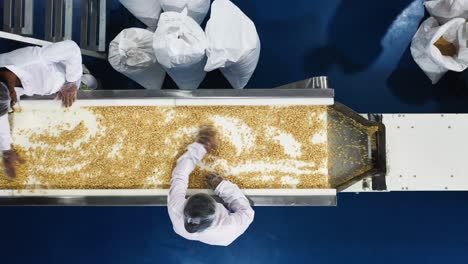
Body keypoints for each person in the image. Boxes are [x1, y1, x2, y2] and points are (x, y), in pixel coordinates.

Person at [0, 40, 95, 179]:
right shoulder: (6, 87)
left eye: (12, 102)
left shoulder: (36, 60)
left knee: (91, 83)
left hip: (68, 81)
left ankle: (86, 76)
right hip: (51, 91)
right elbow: (1, 114)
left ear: (12, 93)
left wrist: (72, 82)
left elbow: (72, 48)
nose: (12, 105)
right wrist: (7, 149)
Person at [167, 126, 255, 246]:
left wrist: (200, 146)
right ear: (215, 209)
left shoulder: (176, 209)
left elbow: (179, 177)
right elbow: (246, 211)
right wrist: (222, 186)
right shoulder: (230, 227)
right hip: (222, 239)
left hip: (183, 232)